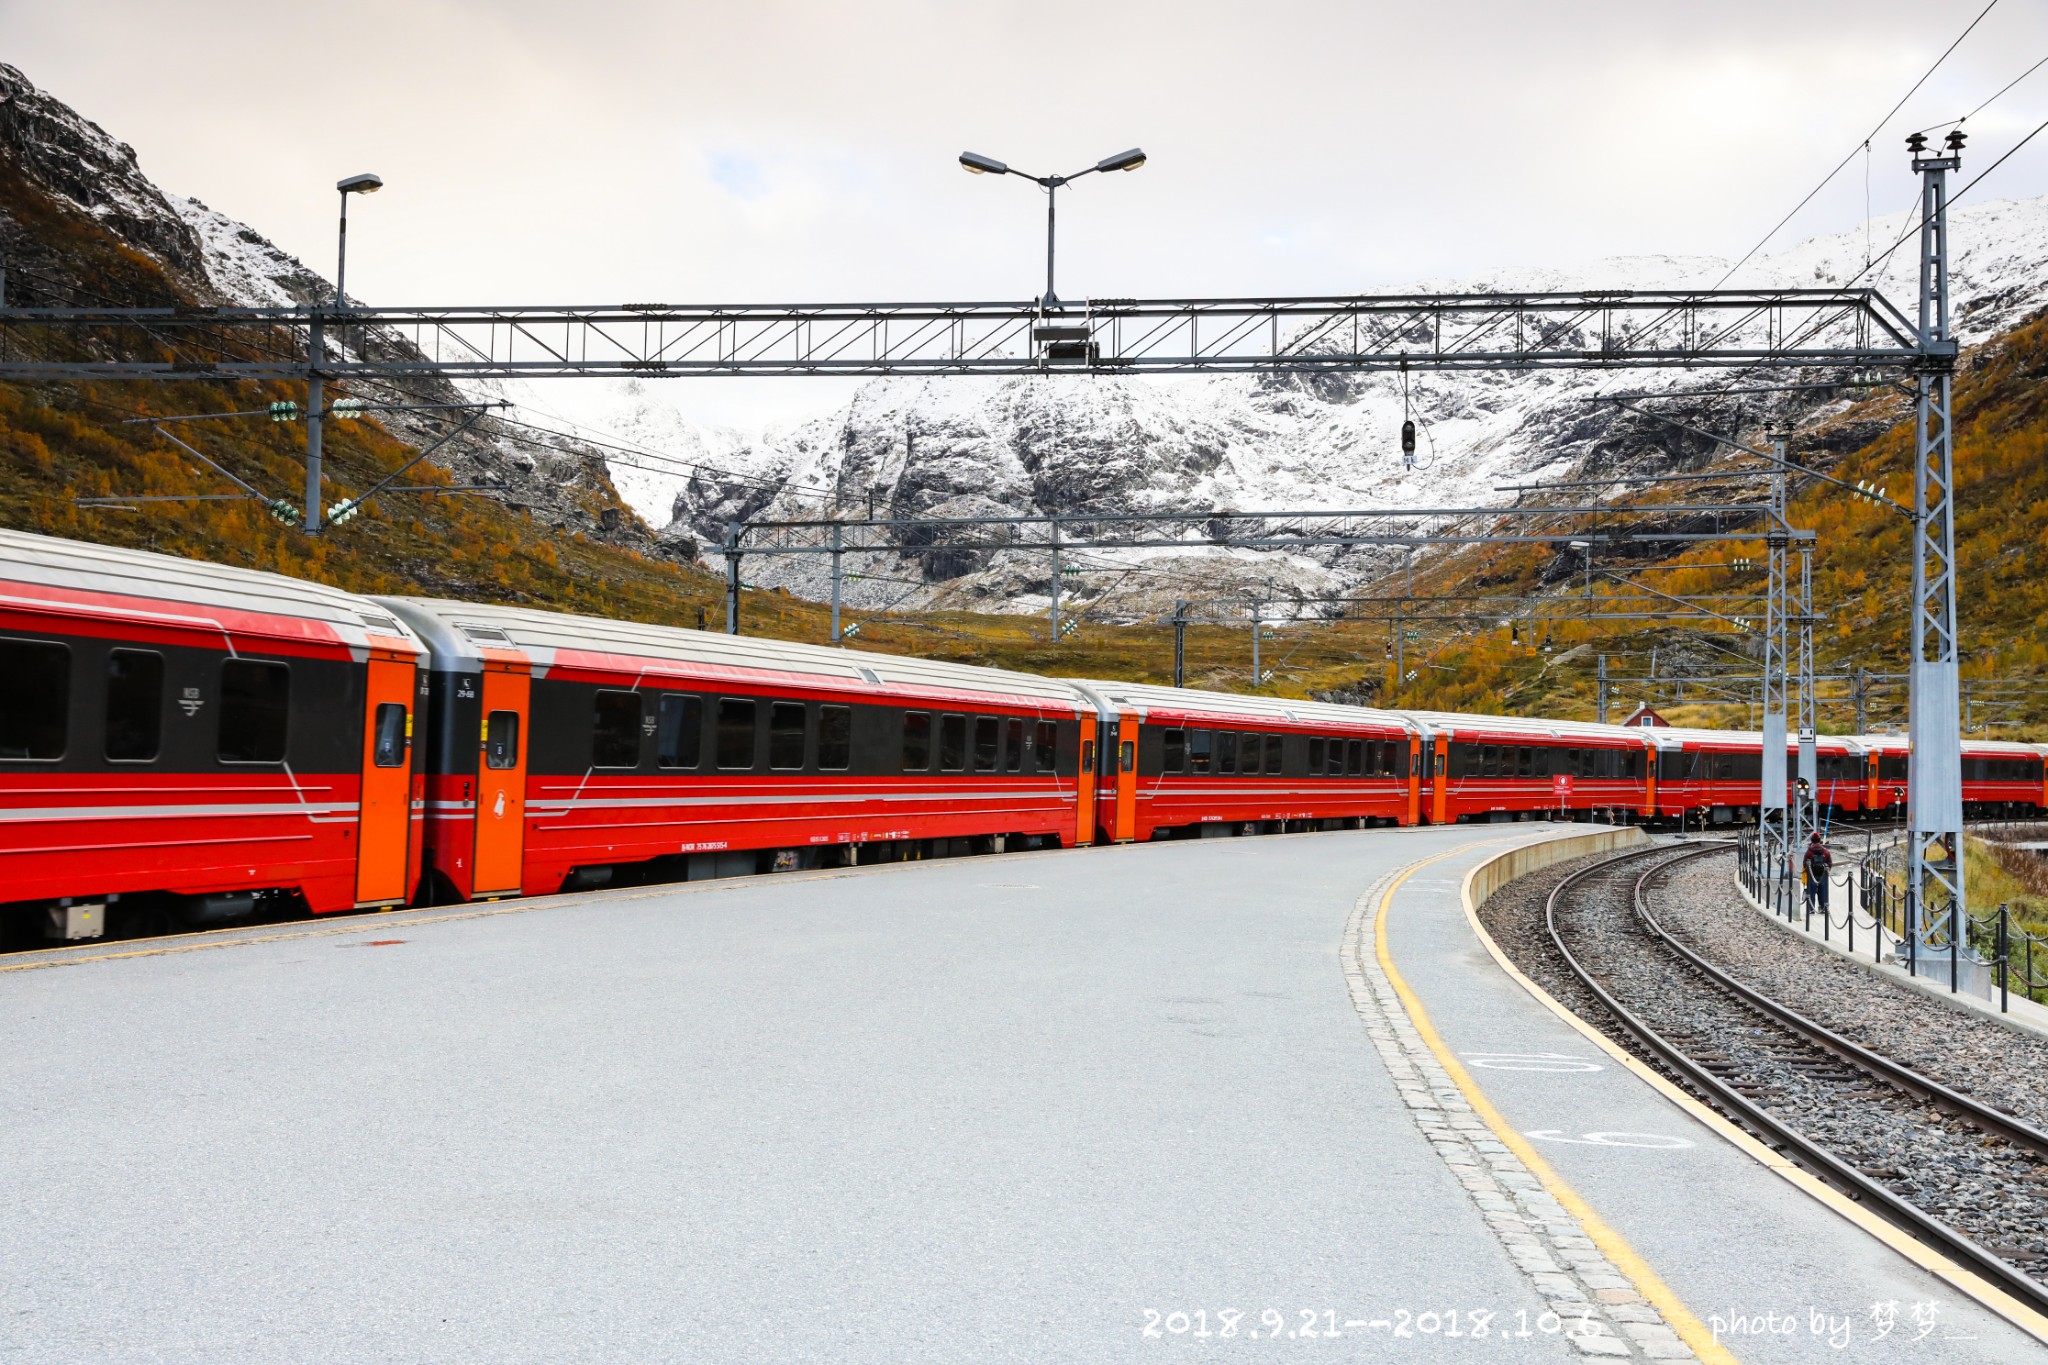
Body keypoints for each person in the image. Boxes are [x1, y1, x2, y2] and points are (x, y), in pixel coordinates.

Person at [1803, 832, 1833, 915]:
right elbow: (1830, 863)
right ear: (1820, 840)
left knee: (1811, 891)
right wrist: (1827, 869)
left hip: (1812, 873)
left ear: (1812, 840)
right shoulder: (1825, 852)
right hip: (1823, 874)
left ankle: (1811, 908)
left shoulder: (1809, 852)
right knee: (1823, 891)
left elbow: (1804, 863)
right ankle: (1823, 908)